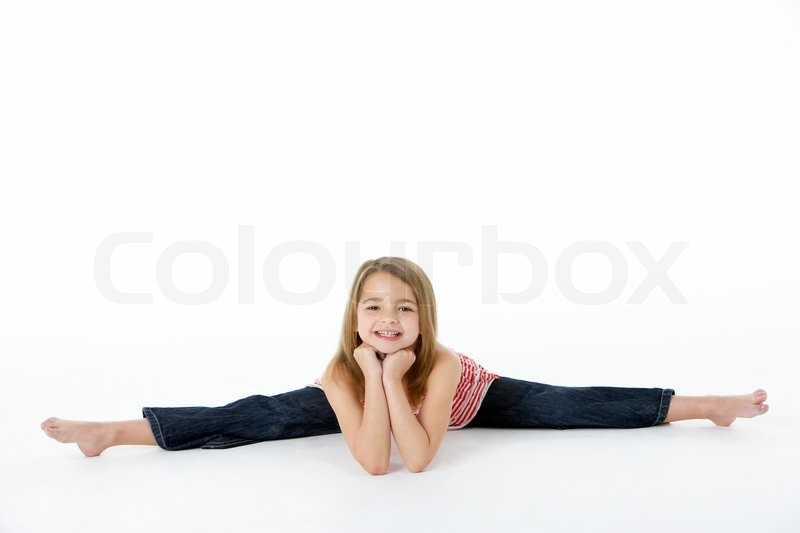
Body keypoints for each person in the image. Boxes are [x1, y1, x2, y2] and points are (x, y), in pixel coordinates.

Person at [41, 256, 769, 475]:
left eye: (404, 309)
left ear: (424, 319)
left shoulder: (446, 364)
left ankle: (707, 404)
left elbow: (416, 460)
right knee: (254, 414)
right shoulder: (337, 373)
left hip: (468, 401)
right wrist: (368, 378)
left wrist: (394, 376)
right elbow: (374, 462)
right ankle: (111, 430)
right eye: (374, 309)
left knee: (567, 402)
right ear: (354, 319)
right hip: (360, 387)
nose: (388, 321)